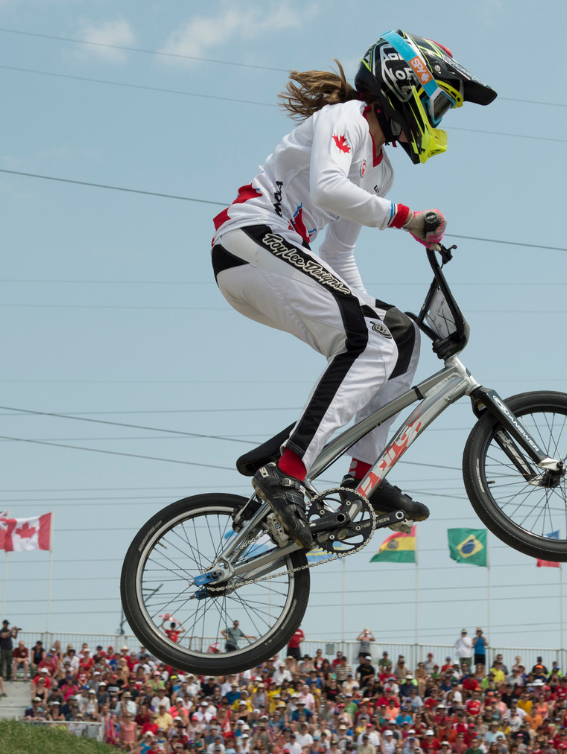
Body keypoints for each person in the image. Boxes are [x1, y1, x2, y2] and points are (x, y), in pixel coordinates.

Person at [212, 30, 496, 548]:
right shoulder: (345, 118)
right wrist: (405, 218)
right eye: (435, 104)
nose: (435, 119)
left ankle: (362, 473)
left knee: (399, 335)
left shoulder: (381, 170)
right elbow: (327, 189)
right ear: (403, 83)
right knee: (369, 342)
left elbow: (338, 254)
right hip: (250, 241)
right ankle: (289, 469)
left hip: (277, 259)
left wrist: (370, 309)